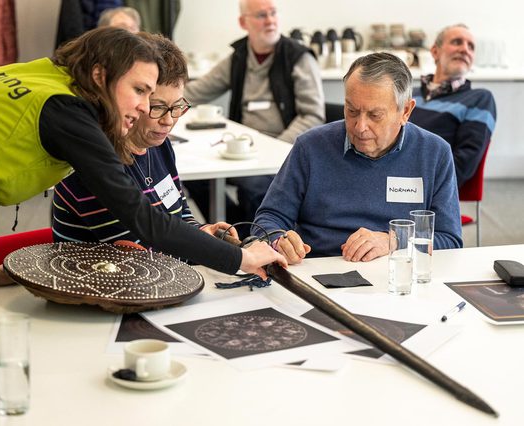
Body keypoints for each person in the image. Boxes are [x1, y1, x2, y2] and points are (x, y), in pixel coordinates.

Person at [0, 27, 286, 424]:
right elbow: (140, 221)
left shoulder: (43, 76)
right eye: (141, 91)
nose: (147, 109)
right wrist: (240, 257)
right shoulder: (69, 111)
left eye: (160, 100)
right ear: (100, 76)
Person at [254, 52, 463, 265]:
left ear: (406, 112)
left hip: (397, 275)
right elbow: (269, 218)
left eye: (375, 115)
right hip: (318, 272)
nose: (360, 127)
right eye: (352, 111)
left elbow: (450, 241)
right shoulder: (310, 147)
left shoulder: (434, 153)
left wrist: (394, 241)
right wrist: (278, 240)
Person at [52, 32, 238, 246]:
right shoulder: (95, 161)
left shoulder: (158, 144)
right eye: (157, 107)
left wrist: (204, 231)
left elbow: (177, 214)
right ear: (133, 99)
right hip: (103, 277)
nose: (168, 121)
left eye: (177, 107)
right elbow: (143, 254)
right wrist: (213, 249)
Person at [184, 0, 325, 224]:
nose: (270, 21)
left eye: (272, 13)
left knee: (253, 183)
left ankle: (256, 238)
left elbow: (313, 116)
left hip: (280, 149)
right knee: (195, 176)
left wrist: (275, 147)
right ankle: (238, 233)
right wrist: (159, 101)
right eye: (261, 15)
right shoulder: (238, 57)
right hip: (241, 150)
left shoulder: (298, 58)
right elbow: (197, 91)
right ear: (243, 22)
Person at [409, 24, 496, 189]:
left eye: (471, 47)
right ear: (435, 52)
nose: (465, 50)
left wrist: (410, 186)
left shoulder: (479, 99)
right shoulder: (409, 94)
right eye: (457, 42)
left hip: (423, 187)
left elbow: (462, 166)